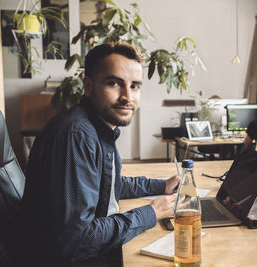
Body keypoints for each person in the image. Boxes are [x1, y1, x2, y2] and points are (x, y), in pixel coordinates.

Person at [19, 42, 180, 266]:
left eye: (134, 86)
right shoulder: (75, 136)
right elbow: (76, 242)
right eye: (113, 83)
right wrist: (151, 212)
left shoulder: (99, 127)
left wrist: (162, 186)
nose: (127, 97)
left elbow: (109, 184)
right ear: (88, 86)